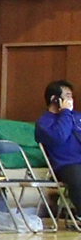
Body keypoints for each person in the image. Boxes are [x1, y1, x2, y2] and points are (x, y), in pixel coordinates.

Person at [36, 79, 81, 209]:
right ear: (54, 99)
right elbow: (60, 137)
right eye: (67, 96)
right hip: (66, 165)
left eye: (71, 96)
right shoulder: (44, 122)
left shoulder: (77, 116)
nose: (71, 99)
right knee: (78, 178)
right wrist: (65, 112)